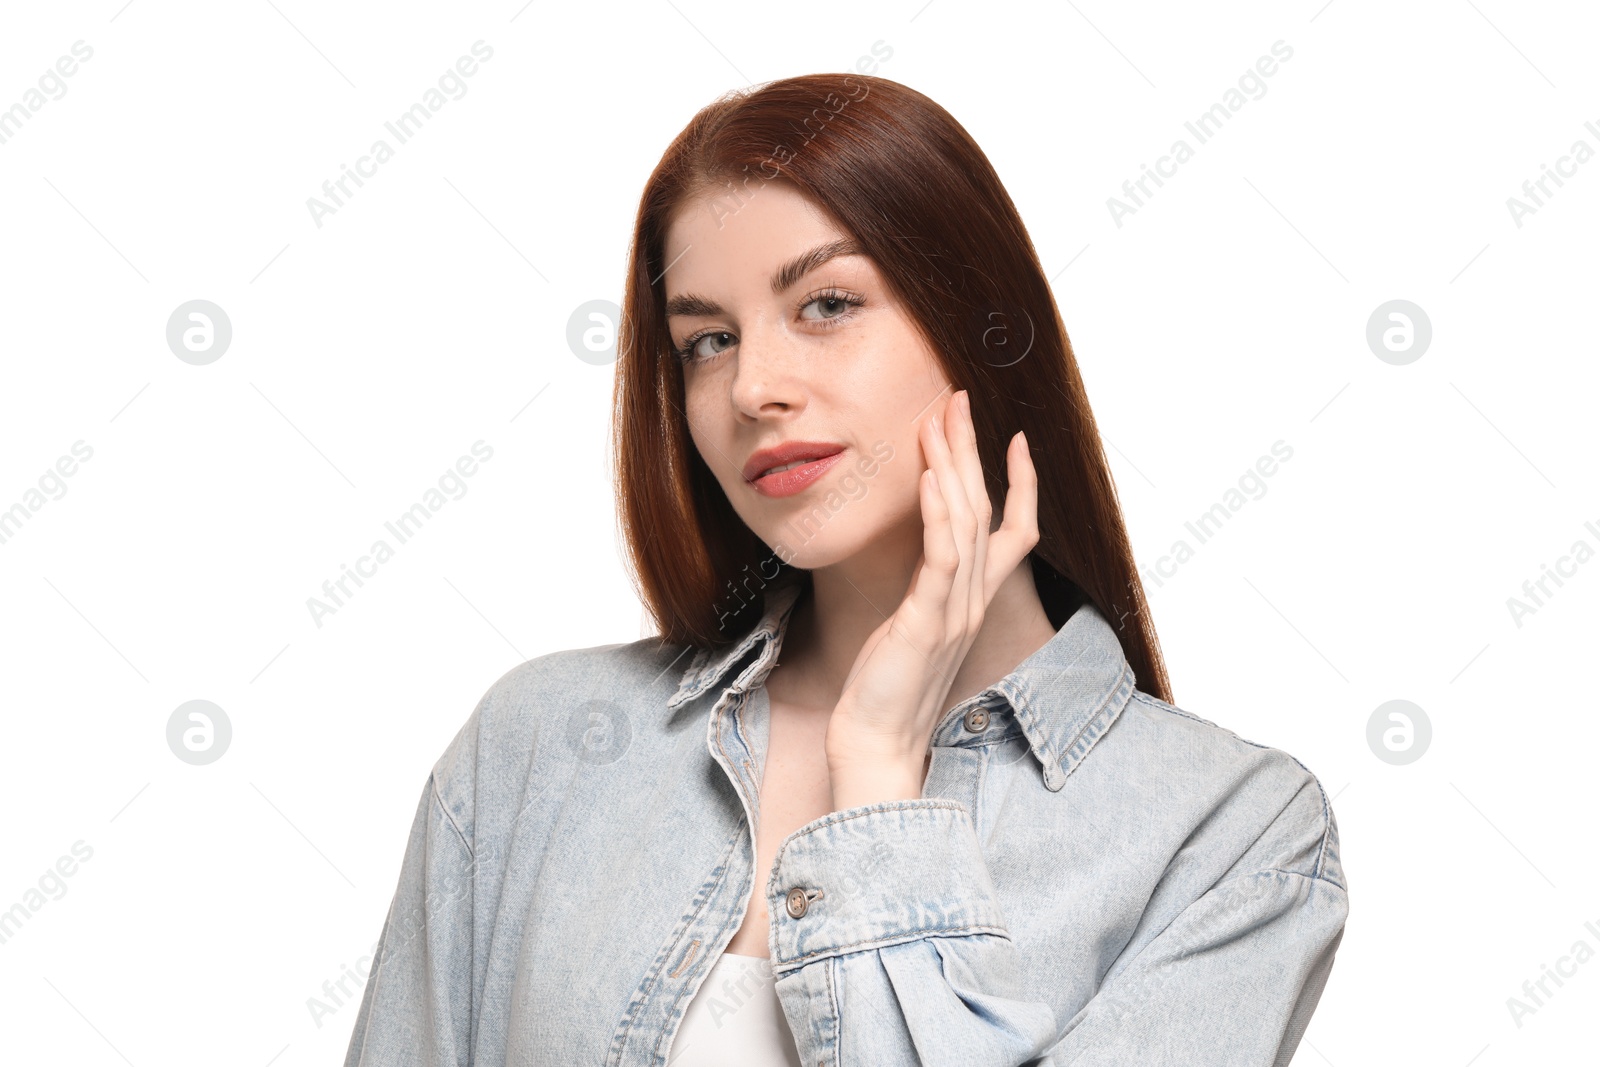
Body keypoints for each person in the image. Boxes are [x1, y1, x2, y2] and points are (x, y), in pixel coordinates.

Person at [343, 73, 1347, 1067]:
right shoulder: (543, 744)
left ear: (977, 328)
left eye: (825, 303)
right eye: (707, 341)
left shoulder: (1232, 835)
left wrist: (873, 770)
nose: (753, 386)